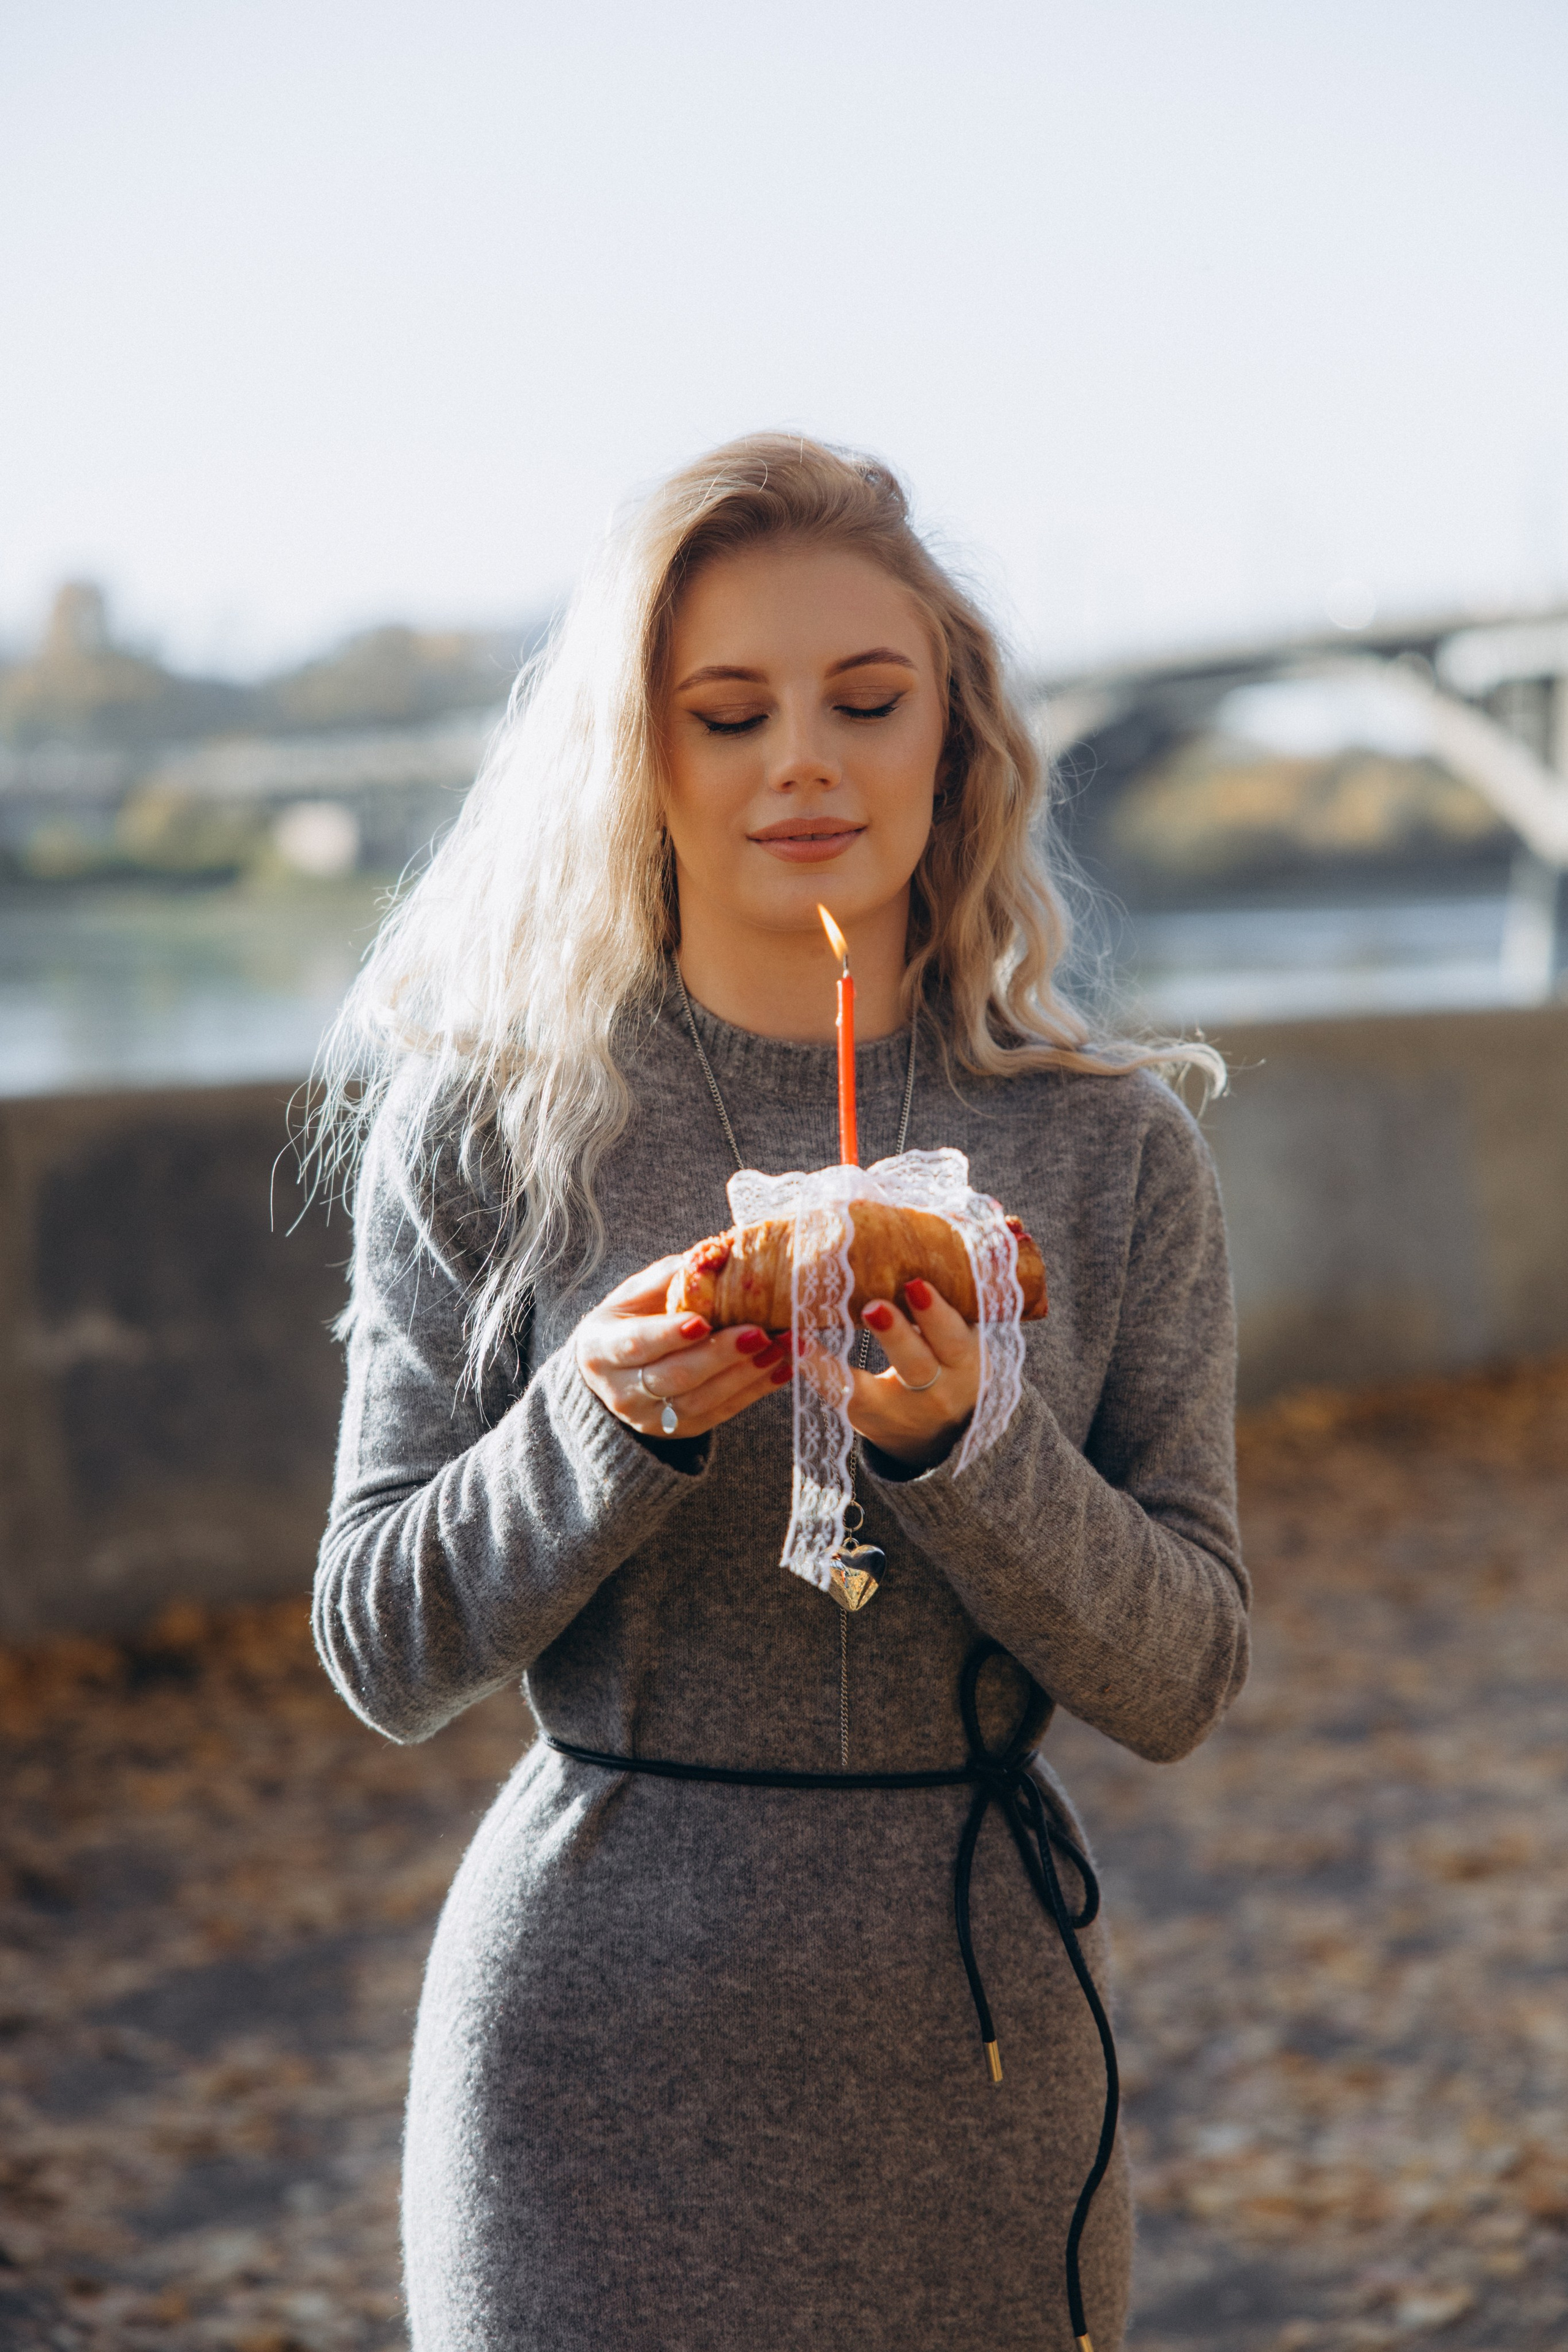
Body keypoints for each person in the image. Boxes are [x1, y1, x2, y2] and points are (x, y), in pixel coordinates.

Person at [311, 433, 1249, 2352]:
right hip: (579, 2071)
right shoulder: (494, 1130)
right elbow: (382, 1648)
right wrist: (602, 1426)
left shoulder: (1112, 1152)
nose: (801, 760)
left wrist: (976, 1455)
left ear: (955, 737)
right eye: (727, 713)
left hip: (979, 2064)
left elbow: (1184, 1678)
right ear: (639, 759)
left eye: (866, 700)